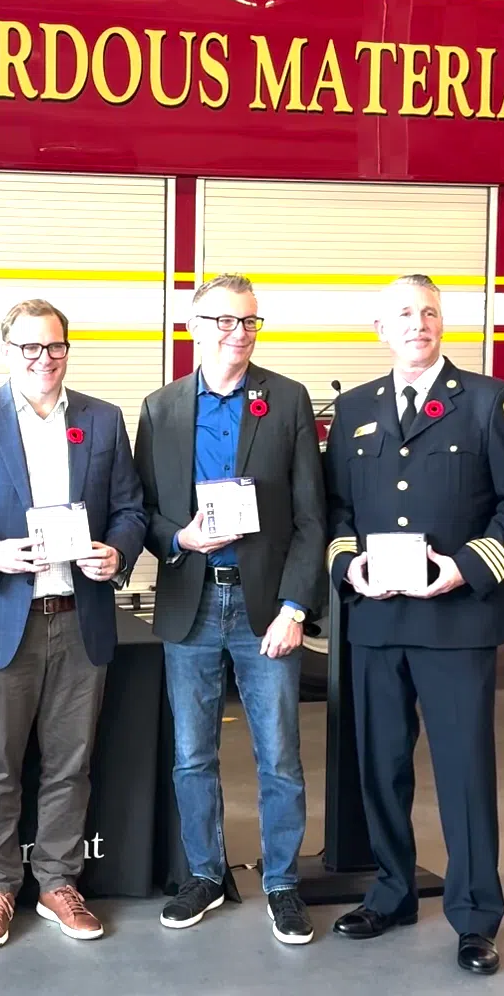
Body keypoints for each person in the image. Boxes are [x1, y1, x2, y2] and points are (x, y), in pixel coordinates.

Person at [322, 274, 504, 977]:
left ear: (443, 323)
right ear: (379, 330)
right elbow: (336, 513)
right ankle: (391, 891)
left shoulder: (490, 402)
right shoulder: (353, 408)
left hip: (458, 618)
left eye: (428, 312)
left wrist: (468, 569)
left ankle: (476, 916)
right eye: (402, 315)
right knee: (380, 767)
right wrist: (346, 567)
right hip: (377, 620)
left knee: (463, 773)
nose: (417, 324)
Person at [0, 299, 148, 949]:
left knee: (70, 763)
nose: (43, 360)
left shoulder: (103, 420)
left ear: (66, 350)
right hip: (4, 618)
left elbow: (131, 509)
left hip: (81, 617)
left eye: (54, 348)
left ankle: (57, 882)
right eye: (29, 348)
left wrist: (118, 550)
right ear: (7, 351)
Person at [133, 274, 326, 944]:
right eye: (222, 321)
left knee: (279, 756)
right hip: (191, 602)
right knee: (193, 754)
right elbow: (144, 513)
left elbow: (310, 518)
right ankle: (205, 875)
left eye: (248, 322)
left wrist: (297, 605)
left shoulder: (288, 400)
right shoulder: (160, 409)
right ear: (193, 326)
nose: (237, 334)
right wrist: (179, 538)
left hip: (266, 609)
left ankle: (281, 884)